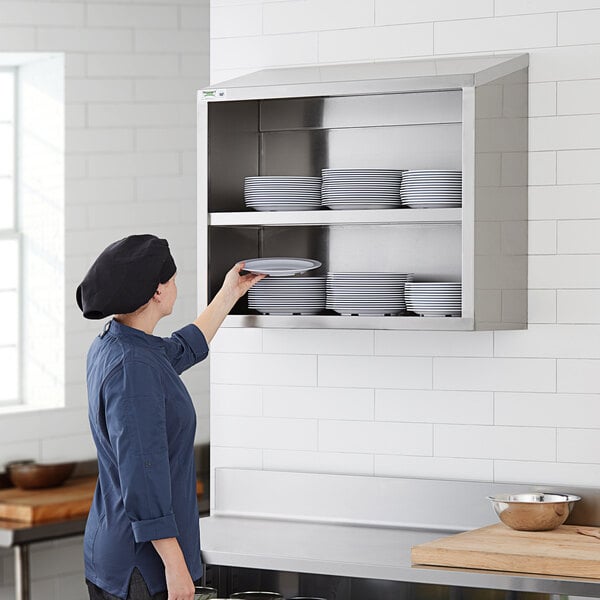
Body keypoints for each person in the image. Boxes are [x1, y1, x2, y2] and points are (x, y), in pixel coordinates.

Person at [76, 234, 264, 600]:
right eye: (173, 279)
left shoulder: (116, 344)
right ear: (158, 293)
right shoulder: (134, 368)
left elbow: (180, 349)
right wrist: (176, 565)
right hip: (143, 567)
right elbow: (143, 477)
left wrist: (229, 294)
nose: (177, 284)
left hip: (113, 551)